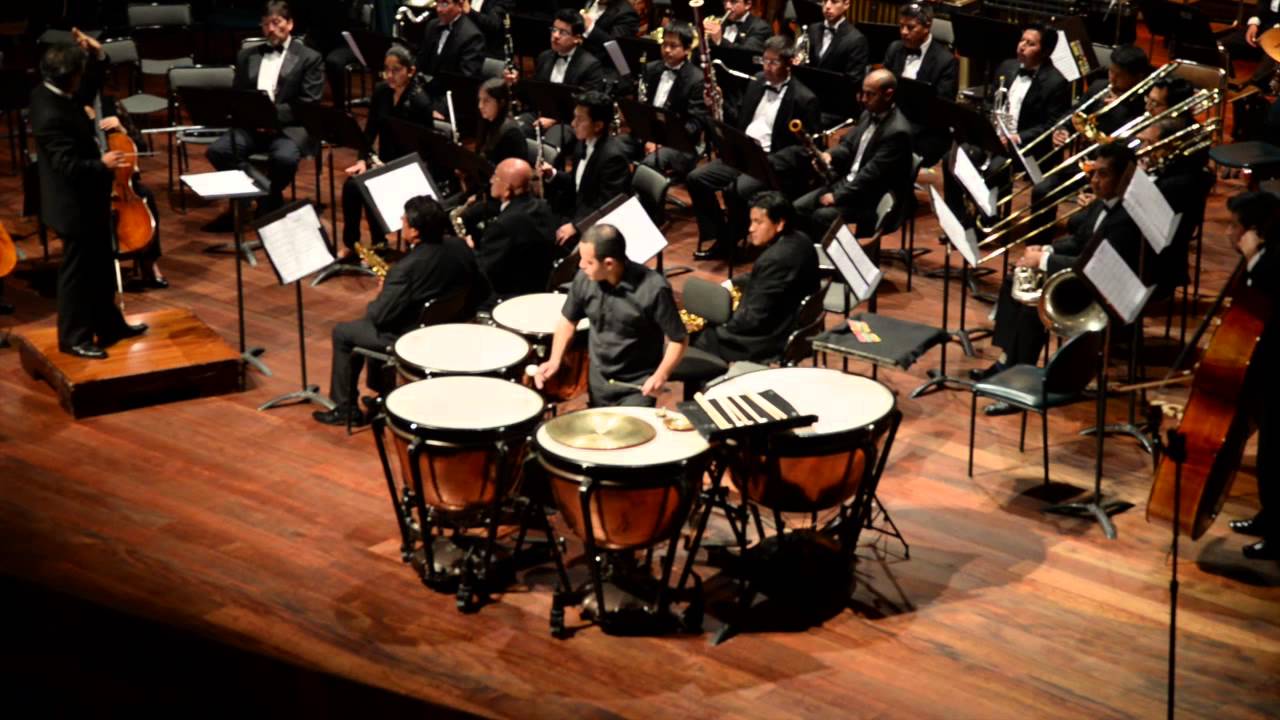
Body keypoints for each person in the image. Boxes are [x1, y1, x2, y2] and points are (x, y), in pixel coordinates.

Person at [973, 142, 1142, 414]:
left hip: (1102, 292)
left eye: (1103, 175)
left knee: (1033, 304)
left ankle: (1020, 382)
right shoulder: (1105, 204)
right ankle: (1007, 362)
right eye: (1093, 173)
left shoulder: (1127, 217)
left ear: (1125, 177)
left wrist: (1044, 261)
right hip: (1083, 276)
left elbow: (1100, 267)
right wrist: (1047, 249)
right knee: (1014, 280)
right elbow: (1080, 240)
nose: (1094, 181)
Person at [314, 196, 483, 426]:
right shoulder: (460, 246)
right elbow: (480, 288)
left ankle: (346, 409)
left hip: (411, 336)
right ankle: (383, 392)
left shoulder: (405, 269)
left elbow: (379, 316)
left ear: (414, 232)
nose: (401, 221)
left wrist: (382, 292)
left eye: (404, 220)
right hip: (450, 325)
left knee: (344, 332)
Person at [30, 33, 147, 360]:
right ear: (69, 77)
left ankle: (109, 325)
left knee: (101, 267)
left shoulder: (53, 92)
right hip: (72, 207)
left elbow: (88, 87)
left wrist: (97, 57)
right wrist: (102, 163)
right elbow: (67, 166)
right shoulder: (49, 113)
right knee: (76, 276)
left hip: (87, 202)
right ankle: (73, 338)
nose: (82, 80)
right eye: (79, 73)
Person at [686, 35, 819, 260]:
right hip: (743, 154)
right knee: (696, 178)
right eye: (764, 60)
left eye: (773, 62)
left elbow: (807, 148)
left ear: (789, 64)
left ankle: (732, 242)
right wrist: (718, 102)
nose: (767, 67)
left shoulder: (805, 98)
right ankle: (721, 236)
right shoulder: (757, 82)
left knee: (736, 190)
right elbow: (739, 119)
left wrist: (769, 161)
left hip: (771, 162)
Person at [533, 223, 687, 406]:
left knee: (630, 434)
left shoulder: (654, 289)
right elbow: (568, 320)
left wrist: (660, 375)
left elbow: (679, 339)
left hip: (637, 385)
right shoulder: (585, 279)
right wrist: (554, 360)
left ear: (609, 264)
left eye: (588, 262)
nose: (581, 265)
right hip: (599, 381)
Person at [684, 192, 819, 389]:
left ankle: (703, 399)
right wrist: (732, 283)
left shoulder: (774, 258)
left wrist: (721, 323)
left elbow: (752, 319)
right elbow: (761, 277)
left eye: (758, 222)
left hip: (770, 338)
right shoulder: (801, 240)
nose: (750, 229)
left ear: (779, 223)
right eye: (751, 221)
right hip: (793, 324)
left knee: (701, 338)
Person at [205, 1, 324, 226]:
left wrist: (270, 116)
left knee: (285, 158)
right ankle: (264, 193)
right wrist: (252, 116)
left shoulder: (310, 58)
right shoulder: (246, 56)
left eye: (276, 22)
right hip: (252, 127)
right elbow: (239, 95)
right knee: (217, 151)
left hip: (289, 129)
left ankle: (265, 195)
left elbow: (308, 103)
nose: (270, 29)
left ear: (290, 24)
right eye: (266, 24)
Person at [1223, 190, 1279, 560]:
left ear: (1254, 231)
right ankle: (1268, 516)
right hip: (1264, 368)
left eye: (1234, 225)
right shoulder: (1266, 257)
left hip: (1274, 370)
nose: (1229, 231)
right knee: (1268, 457)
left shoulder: (1271, 264)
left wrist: (1252, 260)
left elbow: (1260, 302)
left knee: (1276, 456)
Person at [338, 46, 433, 261]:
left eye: (396, 70)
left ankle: (379, 243)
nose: (390, 75)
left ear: (411, 71)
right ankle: (351, 245)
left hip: (409, 168)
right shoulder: (381, 92)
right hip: (384, 163)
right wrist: (362, 159)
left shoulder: (420, 102)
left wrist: (390, 169)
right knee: (352, 185)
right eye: (386, 70)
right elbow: (369, 131)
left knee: (372, 186)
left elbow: (423, 149)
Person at [794, 68, 914, 238]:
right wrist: (830, 155)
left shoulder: (897, 132)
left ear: (888, 94)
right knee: (798, 208)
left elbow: (871, 176)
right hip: (848, 184)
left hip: (869, 199)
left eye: (870, 94)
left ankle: (828, 261)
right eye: (862, 93)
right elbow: (848, 145)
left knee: (821, 217)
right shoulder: (868, 114)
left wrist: (837, 196)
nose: (863, 99)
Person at [539, 89, 632, 249]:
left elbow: (608, 206)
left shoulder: (613, 158)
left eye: (580, 119)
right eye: (574, 117)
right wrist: (553, 174)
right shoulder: (582, 142)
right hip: (576, 211)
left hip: (597, 227)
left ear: (598, 125)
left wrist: (576, 226)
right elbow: (579, 183)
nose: (573, 123)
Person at [464, 158, 558, 306]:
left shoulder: (503, 225)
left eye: (496, 176)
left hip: (513, 297)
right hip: (541, 284)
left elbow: (484, 270)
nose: (491, 180)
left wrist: (469, 250)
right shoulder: (542, 207)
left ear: (507, 189)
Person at [507, 9, 606, 149]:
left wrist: (555, 119)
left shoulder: (590, 65)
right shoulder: (544, 57)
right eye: (554, 30)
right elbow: (533, 97)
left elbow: (587, 108)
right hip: (539, 113)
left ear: (577, 38)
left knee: (550, 145)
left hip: (568, 121)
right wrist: (517, 83)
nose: (555, 36)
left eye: (563, 32)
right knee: (510, 131)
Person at [882, 2, 958, 166]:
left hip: (926, 130)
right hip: (893, 121)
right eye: (901, 26)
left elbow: (941, 109)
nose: (904, 32)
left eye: (910, 27)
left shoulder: (946, 61)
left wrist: (900, 130)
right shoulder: (894, 48)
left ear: (927, 25)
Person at [633, 22, 708, 179]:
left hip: (680, 145)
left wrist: (663, 141)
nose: (667, 50)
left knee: (648, 165)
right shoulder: (651, 69)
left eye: (673, 46)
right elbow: (642, 108)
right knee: (614, 147)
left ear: (687, 49)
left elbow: (695, 123)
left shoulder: (697, 79)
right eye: (664, 44)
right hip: (648, 136)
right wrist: (647, 137)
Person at [416, 0, 486, 116]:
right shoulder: (432, 26)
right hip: (428, 91)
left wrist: (433, 108)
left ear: (460, 4)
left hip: (450, 99)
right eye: (437, 3)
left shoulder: (472, 37)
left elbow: (464, 85)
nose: (439, 9)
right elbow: (420, 63)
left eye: (445, 4)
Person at [800, 0, 868, 88]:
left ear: (846, 4)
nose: (827, 6)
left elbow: (853, 81)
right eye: (824, 1)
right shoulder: (813, 29)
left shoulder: (857, 40)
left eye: (834, 1)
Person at [704, 0, 772, 52]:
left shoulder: (761, 28)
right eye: (725, 1)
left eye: (734, 1)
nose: (727, 6)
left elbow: (747, 53)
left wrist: (720, 40)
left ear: (747, 5)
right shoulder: (718, 21)